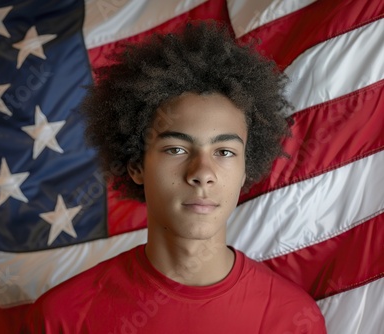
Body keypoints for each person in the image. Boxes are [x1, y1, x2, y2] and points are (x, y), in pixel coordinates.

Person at [23, 20, 327, 333]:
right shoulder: (63, 317)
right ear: (136, 165)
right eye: (176, 150)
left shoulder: (293, 319)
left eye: (224, 152)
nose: (202, 174)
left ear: (245, 169)